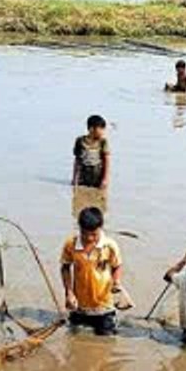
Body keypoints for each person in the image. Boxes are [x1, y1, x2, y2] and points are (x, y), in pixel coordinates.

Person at [60, 207, 124, 336]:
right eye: (85, 234)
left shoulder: (110, 246)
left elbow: (117, 266)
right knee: (74, 338)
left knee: (106, 342)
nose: (89, 238)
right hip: (79, 306)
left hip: (104, 306)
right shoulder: (71, 244)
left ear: (101, 228)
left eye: (94, 234)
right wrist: (69, 293)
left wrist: (116, 282)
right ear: (79, 228)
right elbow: (65, 267)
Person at [72, 115, 110, 189]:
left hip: (97, 176)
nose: (103, 132)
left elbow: (106, 161)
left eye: (103, 129)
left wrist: (105, 179)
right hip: (83, 176)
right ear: (91, 129)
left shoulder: (103, 142)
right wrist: (75, 177)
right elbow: (77, 160)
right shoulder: (80, 141)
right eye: (101, 129)